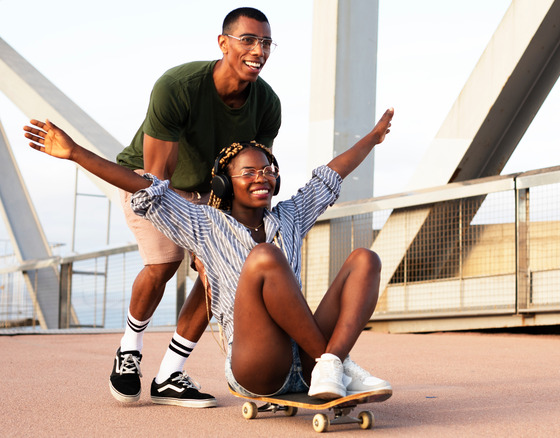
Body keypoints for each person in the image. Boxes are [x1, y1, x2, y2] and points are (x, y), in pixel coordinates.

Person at [24, 108, 395, 401]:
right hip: (259, 365)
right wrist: (75, 153)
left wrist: (374, 139)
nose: (261, 177)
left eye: (268, 170)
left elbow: (330, 176)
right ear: (223, 183)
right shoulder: (204, 224)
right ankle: (338, 367)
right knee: (265, 258)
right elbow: (143, 186)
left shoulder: (290, 217)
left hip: (307, 357)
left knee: (365, 259)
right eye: (248, 172)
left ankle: (330, 364)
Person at [111, 7, 281, 407]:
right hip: (148, 179)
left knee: (216, 274)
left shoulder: (268, 104)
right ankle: (129, 348)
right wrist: (192, 240)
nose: (259, 49)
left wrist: (219, 250)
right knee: (165, 262)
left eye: (267, 42)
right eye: (249, 40)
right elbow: (157, 181)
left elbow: (255, 173)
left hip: (211, 190)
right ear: (223, 43)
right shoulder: (178, 86)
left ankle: (170, 373)